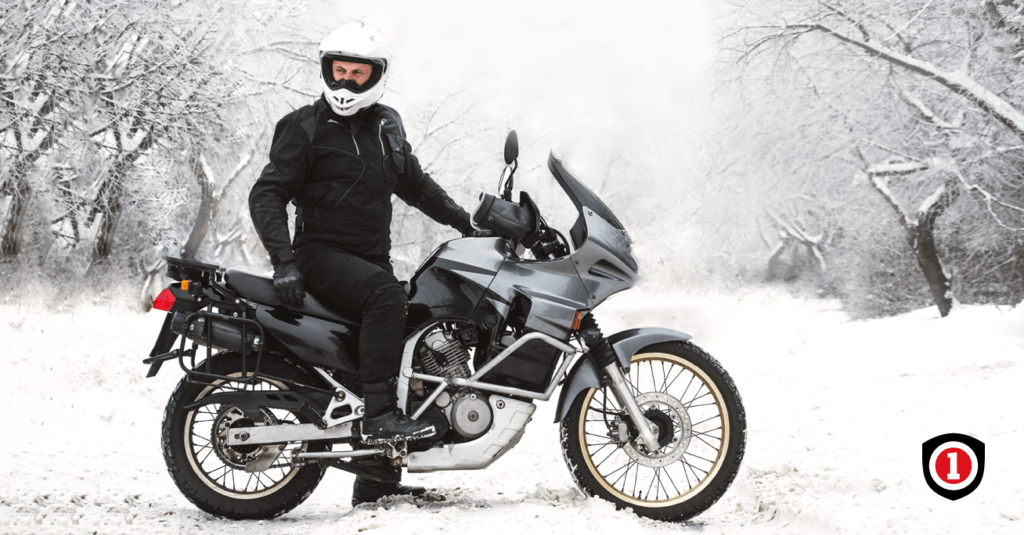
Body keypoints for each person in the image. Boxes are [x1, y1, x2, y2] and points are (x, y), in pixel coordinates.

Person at [248, 21, 476, 505]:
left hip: (368, 257)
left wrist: (467, 225)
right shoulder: (303, 126)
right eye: (339, 71)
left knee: (408, 332)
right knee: (385, 296)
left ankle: (376, 482)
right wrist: (284, 261)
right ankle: (378, 419)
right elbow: (267, 193)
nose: (346, 83)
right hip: (319, 255)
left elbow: (415, 185)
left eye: (356, 73)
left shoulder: (387, 126)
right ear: (325, 71)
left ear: (376, 76)